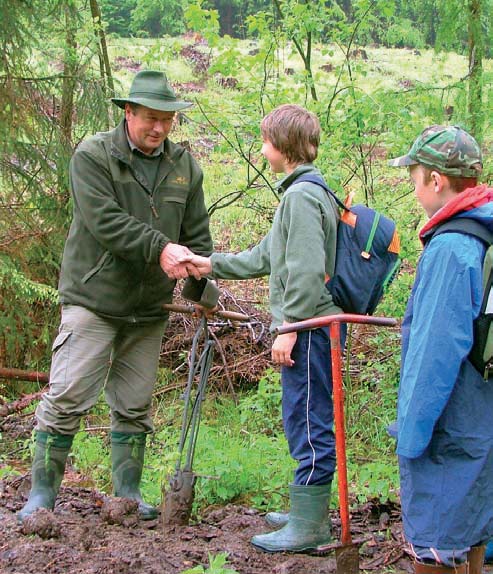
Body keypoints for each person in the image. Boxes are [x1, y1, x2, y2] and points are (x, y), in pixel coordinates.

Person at [18, 70, 214, 523]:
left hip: (148, 310)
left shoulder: (184, 167)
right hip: (94, 299)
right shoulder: (93, 155)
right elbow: (103, 221)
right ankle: (42, 496)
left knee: (134, 405)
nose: (159, 128)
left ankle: (127, 493)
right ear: (128, 112)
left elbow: (197, 236)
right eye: (150, 118)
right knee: (66, 396)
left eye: (167, 119)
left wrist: (203, 288)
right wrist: (160, 248)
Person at [186, 104, 342, 552]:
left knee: (309, 420)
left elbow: (308, 271)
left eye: (265, 141)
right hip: (309, 325)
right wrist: (207, 264)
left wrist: (289, 327)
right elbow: (265, 257)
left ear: (283, 147)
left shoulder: (303, 196)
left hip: (312, 328)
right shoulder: (303, 193)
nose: (262, 149)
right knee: (301, 415)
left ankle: (311, 524)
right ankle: (305, 508)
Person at [388, 125, 493, 573]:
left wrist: (411, 435)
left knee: (435, 544)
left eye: (414, 175)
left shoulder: (452, 248)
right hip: (481, 415)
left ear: (436, 180)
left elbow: (435, 351)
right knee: (473, 532)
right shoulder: (484, 229)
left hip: (450, 422)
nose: (413, 186)